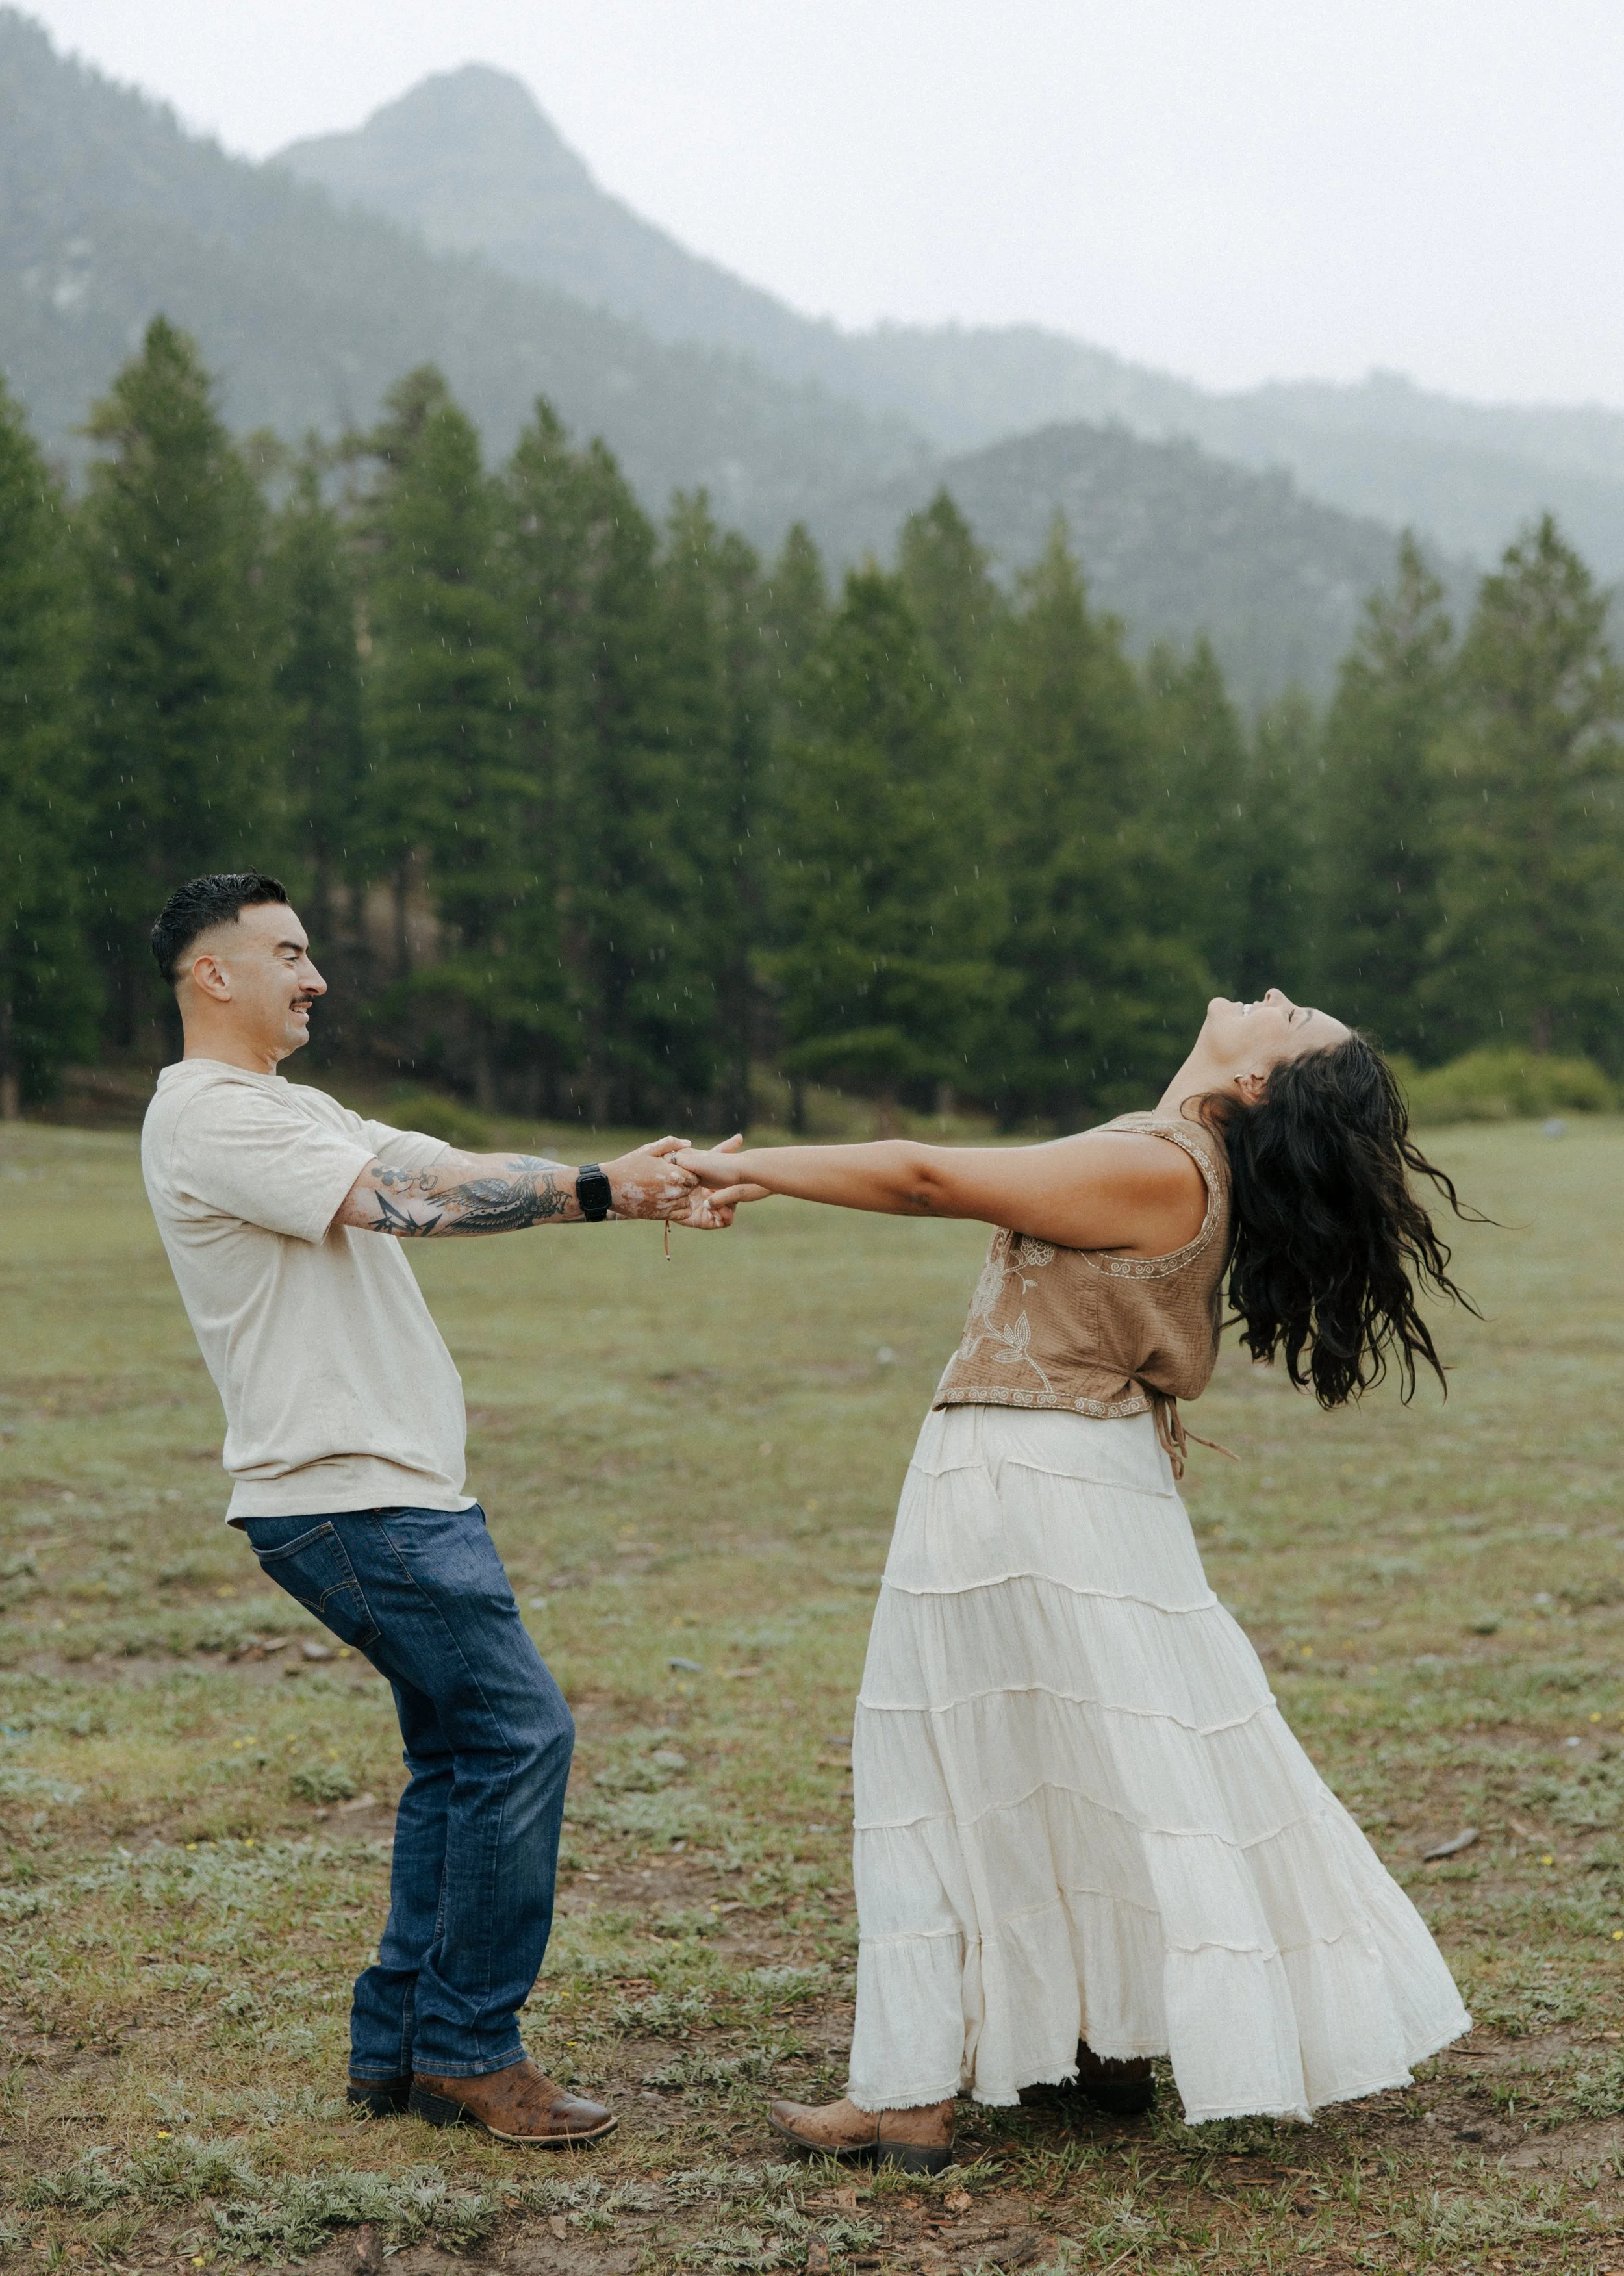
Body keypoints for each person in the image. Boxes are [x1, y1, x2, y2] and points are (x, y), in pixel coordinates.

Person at [677, 991, 1474, 2171]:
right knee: (1076, 1755)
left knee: (952, 1759)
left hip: (1025, 1472)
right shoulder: (1166, 1153)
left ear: (1257, 1085)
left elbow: (925, 1180)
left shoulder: (1162, 1164)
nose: (1273, 997)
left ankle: (909, 2097)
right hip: (1067, 1475)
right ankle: (1102, 2041)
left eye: (1292, 1018)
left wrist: (739, 1168)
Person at [140, 871, 743, 2147]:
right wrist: (601, 1191)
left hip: (388, 1492)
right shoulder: (209, 1117)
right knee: (521, 1738)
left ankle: (403, 2048)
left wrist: (621, 1180)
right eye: (288, 954)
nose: (314, 977)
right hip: (352, 1496)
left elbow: (437, 1162)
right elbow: (402, 1206)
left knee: (461, 1758)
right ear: (213, 975)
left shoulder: (283, 1107)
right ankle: (471, 2047)